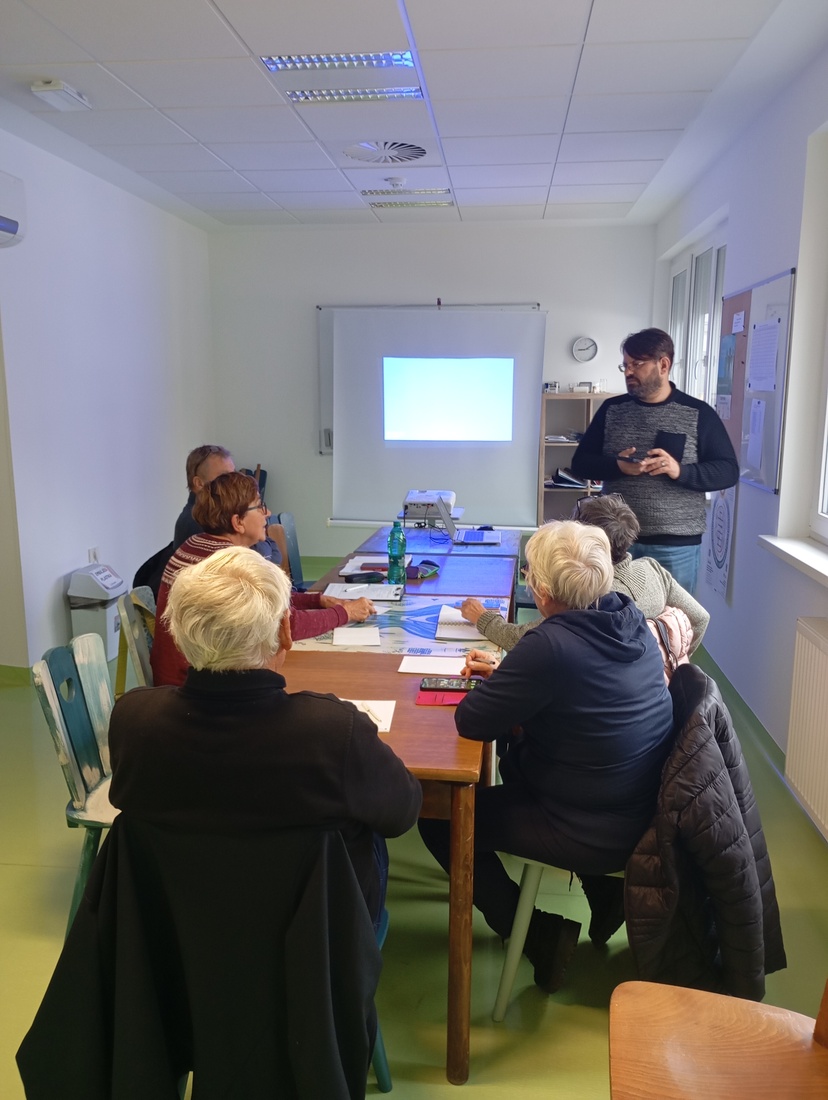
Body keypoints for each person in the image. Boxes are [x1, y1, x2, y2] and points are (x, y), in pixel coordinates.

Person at [419, 521, 674, 994]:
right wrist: (514, 679)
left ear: (541, 590)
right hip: (639, 808)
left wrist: (508, 681)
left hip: (590, 827)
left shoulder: (549, 645)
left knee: (439, 818)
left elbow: (472, 721)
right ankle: (605, 893)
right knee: (513, 759)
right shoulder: (629, 618)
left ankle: (540, 935)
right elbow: (582, 692)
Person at [111, 544, 422, 929]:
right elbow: (402, 814)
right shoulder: (333, 729)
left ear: (178, 634)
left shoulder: (133, 719)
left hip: (173, 932)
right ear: (285, 632)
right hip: (314, 941)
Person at [151, 472, 376, 687]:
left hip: (184, 677)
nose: (267, 513)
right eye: (259, 506)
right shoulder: (229, 563)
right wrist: (345, 612)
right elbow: (286, 626)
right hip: (190, 686)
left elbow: (268, 603)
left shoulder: (197, 545)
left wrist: (316, 600)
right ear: (238, 522)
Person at [570, 327, 738, 592]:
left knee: (673, 617)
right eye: (625, 365)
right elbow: (580, 463)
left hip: (675, 545)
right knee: (610, 615)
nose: (628, 371)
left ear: (663, 365)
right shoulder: (612, 410)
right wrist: (617, 466)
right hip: (615, 541)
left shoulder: (698, 413)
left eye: (637, 364)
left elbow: (728, 471)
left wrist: (679, 471)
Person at [461, 493, 710, 652]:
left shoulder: (595, 595)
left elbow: (525, 639)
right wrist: (668, 666)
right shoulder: (652, 568)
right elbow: (700, 618)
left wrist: (483, 617)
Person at [174, 443, 280, 563]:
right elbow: (264, 559)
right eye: (224, 477)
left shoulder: (221, 513)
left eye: (234, 473)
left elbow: (270, 549)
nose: (233, 481)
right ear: (199, 483)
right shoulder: (201, 522)